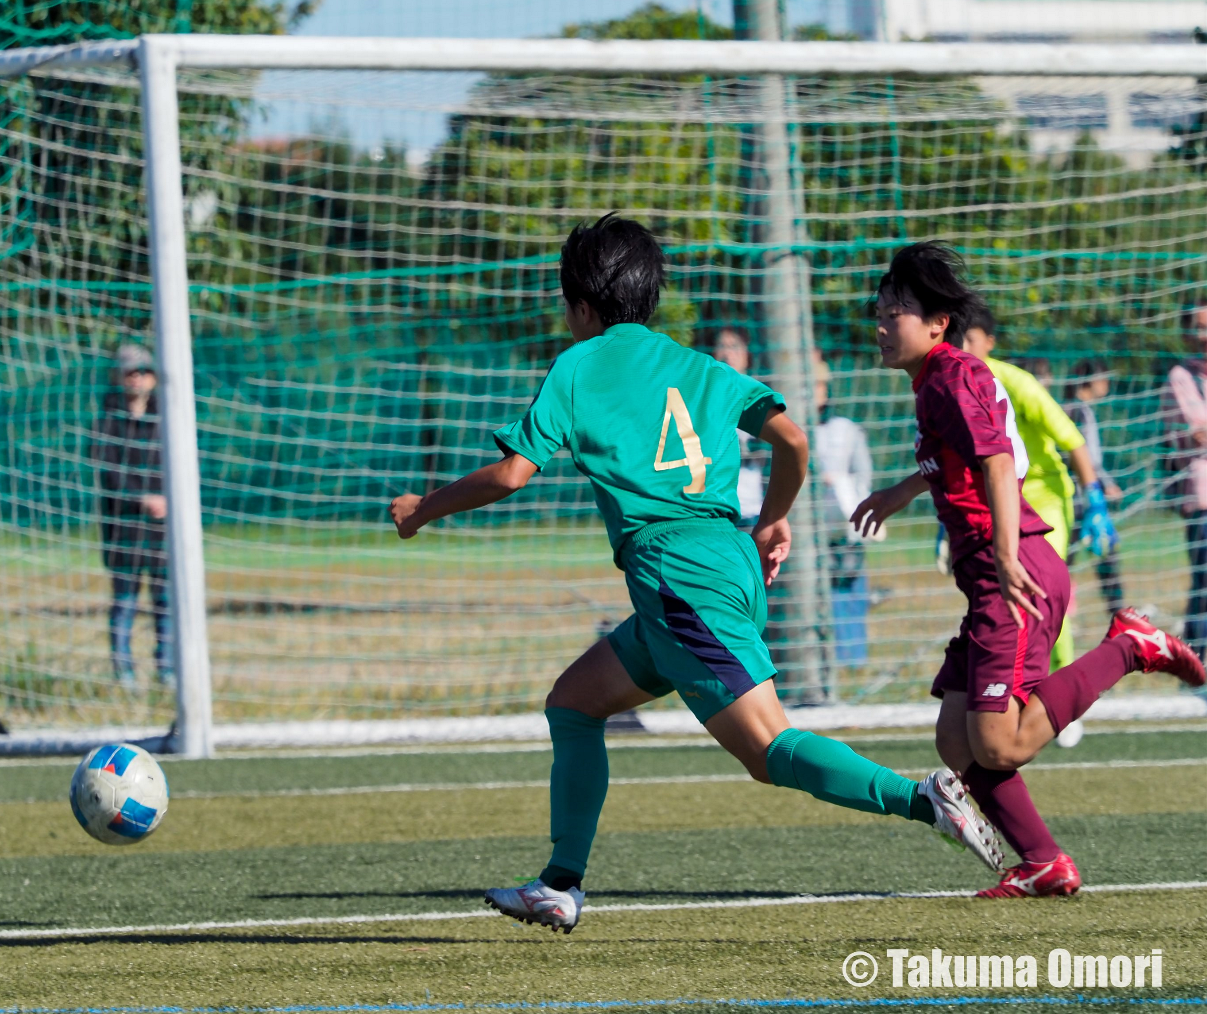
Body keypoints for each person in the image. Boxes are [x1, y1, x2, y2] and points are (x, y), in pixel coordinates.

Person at [389, 215, 1004, 934]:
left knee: (768, 749)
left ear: (583, 306)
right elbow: (793, 439)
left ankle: (923, 796)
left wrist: (423, 509)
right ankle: (560, 884)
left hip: (676, 573)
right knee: (575, 703)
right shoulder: (696, 364)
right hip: (722, 561)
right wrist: (774, 519)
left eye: (566, 305)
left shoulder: (578, 364)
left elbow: (512, 473)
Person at [852, 242, 1203, 899]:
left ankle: (1131, 646)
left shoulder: (954, 375)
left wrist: (1007, 556)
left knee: (999, 746)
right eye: (878, 310)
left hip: (1011, 569)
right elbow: (958, 462)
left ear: (936, 322)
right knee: (955, 740)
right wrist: (900, 492)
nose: (880, 324)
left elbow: (997, 463)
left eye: (894, 311)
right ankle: (1042, 860)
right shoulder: (934, 380)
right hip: (994, 569)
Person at [959, 305, 1116, 671]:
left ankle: (1062, 682)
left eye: (970, 339)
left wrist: (1095, 502)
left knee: (1041, 592)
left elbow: (1074, 441)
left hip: (1044, 502)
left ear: (990, 342)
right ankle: (1021, 684)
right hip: (996, 503)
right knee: (998, 598)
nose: (961, 347)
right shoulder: (949, 385)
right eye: (956, 338)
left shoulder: (1016, 384)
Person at [91, 344, 173, 687]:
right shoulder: (106, 423)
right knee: (124, 602)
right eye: (131, 372)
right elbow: (109, 473)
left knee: (165, 602)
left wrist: (168, 499)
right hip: (123, 530)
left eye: (144, 372)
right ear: (119, 378)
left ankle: (166, 668)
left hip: (161, 532)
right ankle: (123, 671)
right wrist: (143, 499)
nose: (138, 379)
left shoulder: (167, 421)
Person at [812, 349, 877, 667]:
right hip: (807, 528)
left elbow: (864, 475)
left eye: (818, 386)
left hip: (842, 524)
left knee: (848, 587)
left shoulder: (845, 430)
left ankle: (852, 657)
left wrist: (840, 484)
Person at [1163, 301, 1207, 659]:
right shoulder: (1182, 376)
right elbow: (1197, 434)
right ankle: (1195, 667)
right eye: (1199, 326)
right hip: (1202, 495)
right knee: (1205, 584)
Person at [1066, 359, 1127, 617]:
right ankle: (1118, 614)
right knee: (1104, 555)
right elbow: (1086, 458)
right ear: (1090, 381)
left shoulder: (1079, 409)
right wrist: (1105, 484)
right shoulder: (1078, 412)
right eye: (1104, 378)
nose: (1107, 384)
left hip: (1082, 497)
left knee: (1072, 559)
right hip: (1082, 500)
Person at [712, 327, 765, 524]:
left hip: (754, 508)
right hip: (717, 508)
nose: (727, 353)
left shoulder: (761, 396)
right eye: (721, 347)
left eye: (734, 346)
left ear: (747, 355)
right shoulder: (705, 399)